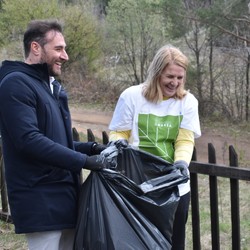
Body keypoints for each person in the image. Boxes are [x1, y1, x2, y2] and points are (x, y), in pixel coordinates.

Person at [0, 19, 107, 250]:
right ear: (36, 48)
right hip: (40, 201)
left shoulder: (52, 88)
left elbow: (58, 143)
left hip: (67, 198)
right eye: (58, 48)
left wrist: (93, 149)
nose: (65, 56)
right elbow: (29, 141)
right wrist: (85, 161)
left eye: (65, 49)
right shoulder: (15, 84)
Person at [108, 44, 201, 250]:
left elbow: (185, 139)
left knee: (174, 243)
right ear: (157, 73)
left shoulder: (188, 102)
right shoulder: (132, 97)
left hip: (174, 187)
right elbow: (119, 132)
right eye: (170, 76)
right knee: (137, 242)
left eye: (180, 78)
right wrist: (119, 144)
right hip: (137, 186)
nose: (175, 83)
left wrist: (181, 162)